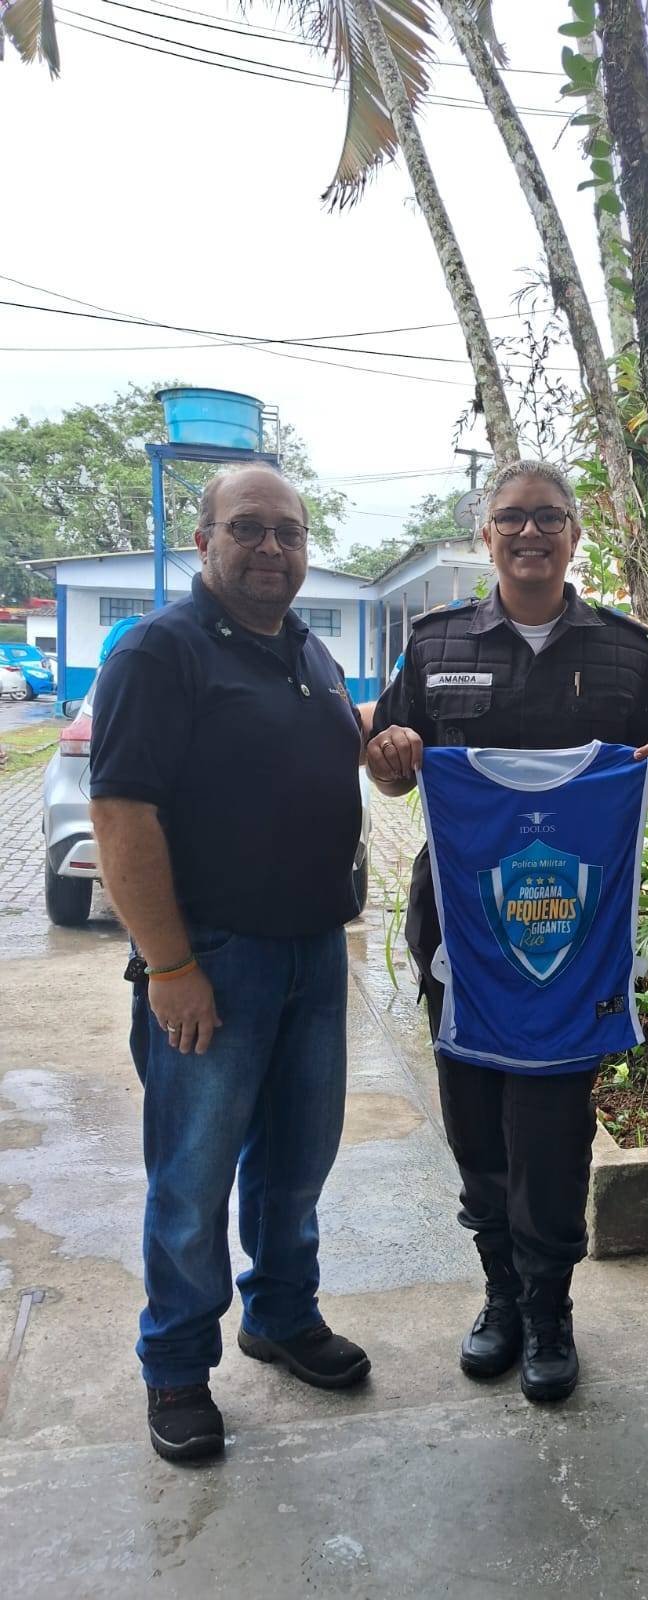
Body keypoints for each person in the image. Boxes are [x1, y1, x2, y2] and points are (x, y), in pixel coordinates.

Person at [366, 459, 648, 1404]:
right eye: (511, 519)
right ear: (488, 534)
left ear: (575, 534)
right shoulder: (436, 642)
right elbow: (388, 765)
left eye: (548, 518)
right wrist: (388, 758)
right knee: (472, 1119)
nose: (530, 533)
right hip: (460, 930)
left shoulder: (626, 651)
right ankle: (499, 1292)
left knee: (553, 1123)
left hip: (571, 936)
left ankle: (549, 1306)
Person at [89, 465, 371, 1464]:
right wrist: (169, 965)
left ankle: (282, 1313)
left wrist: (383, 742)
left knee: (298, 1161)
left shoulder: (309, 651)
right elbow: (122, 814)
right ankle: (174, 1364)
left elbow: (325, 756)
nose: (271, 549)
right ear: (205, 538)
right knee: (193, 1176)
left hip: (312, 954)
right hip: (212, 960)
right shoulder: (159, 652)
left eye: (288, 533)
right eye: (248, 529)